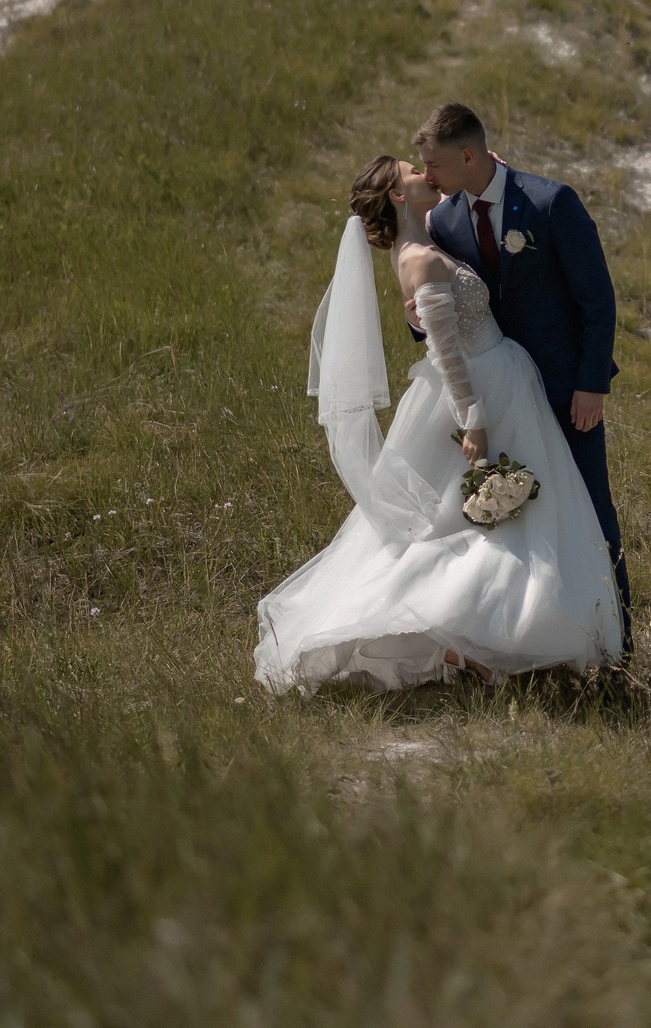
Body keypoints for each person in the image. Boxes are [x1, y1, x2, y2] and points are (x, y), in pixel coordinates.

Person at [253, 154, 623, 691]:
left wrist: (491, 171)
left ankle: (484, 643)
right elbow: (446, 352)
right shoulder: (420, 260)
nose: (424, 173)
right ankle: (476, 635)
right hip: (478, 393)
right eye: (411, 170)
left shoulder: (432, 236)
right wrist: (474, 420)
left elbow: (478, 195)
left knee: (487, 518)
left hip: (503, 382)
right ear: (398, 195)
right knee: (472, 518)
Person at [413, 102, 633, 649]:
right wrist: (415, 321)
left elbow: (597, 301)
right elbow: (442, 310)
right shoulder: (443, 220)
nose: (426, 176)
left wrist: (592, 384)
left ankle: (617, 642)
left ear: (468, 156)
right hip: (502, 397)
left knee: (591, 510)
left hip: (564, 392)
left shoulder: (550, 202)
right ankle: (532, 644)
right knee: (517, 519)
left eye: (434, 165)